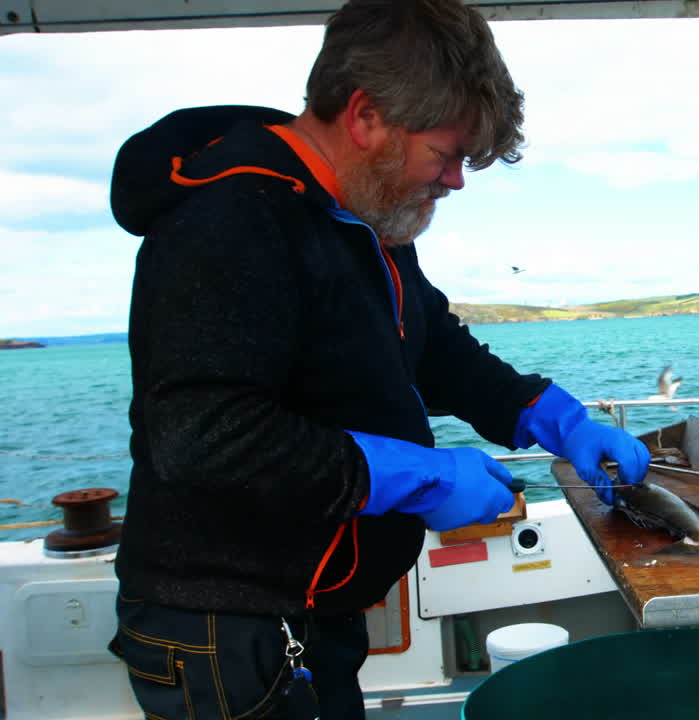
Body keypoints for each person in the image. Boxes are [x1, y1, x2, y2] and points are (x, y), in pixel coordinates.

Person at [105, 0, 650, 717]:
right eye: (446, 154)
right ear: (365, 116)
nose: (456, 180)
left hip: (308, 609)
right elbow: (202, 434)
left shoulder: (364, 215)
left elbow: (434, 346)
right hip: (228, 624)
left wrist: (553, 418)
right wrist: (417, 477)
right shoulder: (233, 216)